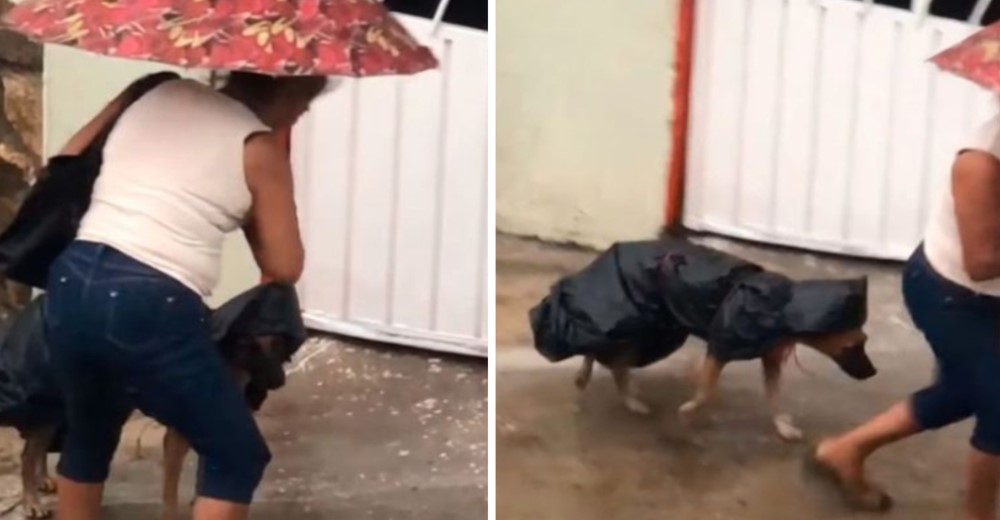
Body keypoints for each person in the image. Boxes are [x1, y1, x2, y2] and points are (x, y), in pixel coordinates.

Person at [44, 71, 328, 520]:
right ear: (287, 91)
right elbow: (285, 266)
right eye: (307, 98)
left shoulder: (153, 89)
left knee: (89, 433)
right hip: (149, 302)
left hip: (70, 282)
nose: (305, 111)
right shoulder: (257, 148)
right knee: (235, 455)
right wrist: (249, 207)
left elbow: (66, 157)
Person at [807, 113, 1000, 520]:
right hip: (956, 298)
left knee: (966, 390)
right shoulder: (980, 160)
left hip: (988, 300)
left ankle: (844, 451)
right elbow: (982, 261)